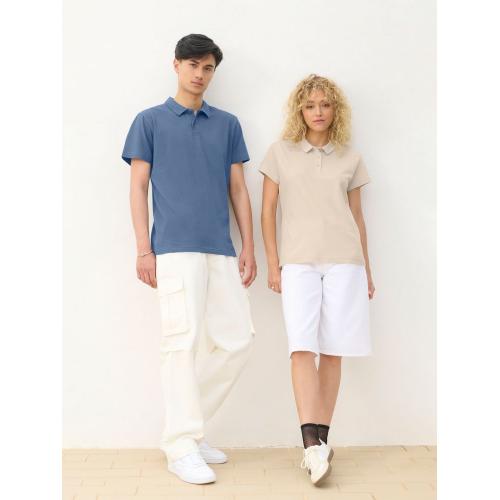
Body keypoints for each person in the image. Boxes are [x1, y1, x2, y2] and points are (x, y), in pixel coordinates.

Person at [121, 34, 256, 485]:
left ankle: (188, 430)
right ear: (176, 65)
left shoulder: (228, 124)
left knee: (238, 341)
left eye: (208, 67)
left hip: (220, 248)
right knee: (181, 343)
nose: (200, 74)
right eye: (193, 65)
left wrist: (249, 246)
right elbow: (138, 187)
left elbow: (238, 189)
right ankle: (181, 446)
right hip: (173, 249)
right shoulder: (149, 121)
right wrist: (144, 248)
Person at [259, 74, 375, 486]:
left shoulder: (350, 157)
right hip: (298, 262)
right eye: (310, 105)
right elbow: (267, 212)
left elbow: (357, 217)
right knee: (301, 348)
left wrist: (367, 270)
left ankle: (321, 443)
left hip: (345, 262)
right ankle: (310, 444)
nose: (318, 112)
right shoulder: (280, 153)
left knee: (333, 350)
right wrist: (273, 264)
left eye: (325, 104)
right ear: (300, 110)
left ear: (335, 109)